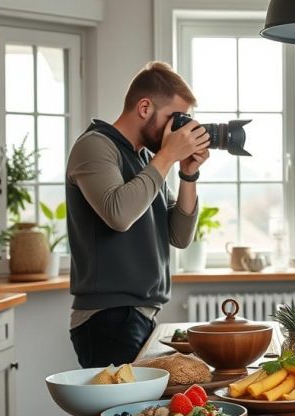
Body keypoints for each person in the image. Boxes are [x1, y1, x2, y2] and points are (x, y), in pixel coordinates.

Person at [65, 61, 210, 368]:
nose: (179, 129)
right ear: (145, 107)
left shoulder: (147, 158)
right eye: (174, 118)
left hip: (139, 316)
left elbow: (179, 236)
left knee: (140, 414)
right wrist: (168, 156)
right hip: (107, 318)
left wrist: (188, 175)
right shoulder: (95, 146)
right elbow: (118, 213)